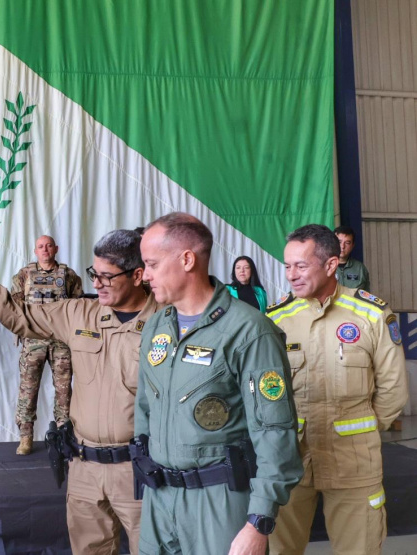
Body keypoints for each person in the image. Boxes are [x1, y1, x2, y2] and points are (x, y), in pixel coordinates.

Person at [0, 229, 157, 554]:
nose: (96, 283)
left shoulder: (168, 321)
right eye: (95, 273)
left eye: (107, 276)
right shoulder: (80, 313)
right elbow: (18, 314)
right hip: (84, 470)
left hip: (139, 471)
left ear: (138, 275)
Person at [133, 212, 302, 555]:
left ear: (186, 259)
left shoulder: (249, 331)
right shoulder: (156, 326)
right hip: (159, 501)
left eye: (151, 264)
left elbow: (274, 431)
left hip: (219, 504)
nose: (144, 275)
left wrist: (259, 521)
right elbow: (145, 408)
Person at [267, 224, 407, 555]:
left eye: (300, 265)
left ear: (331, 265)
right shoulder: (276, 317)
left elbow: (393, 389)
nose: (291, 275)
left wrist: (361, 432)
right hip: (291, 462)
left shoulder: (370, 314)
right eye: (287, 266)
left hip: (354, 464)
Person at [10, 235, 83, 455]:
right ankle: (25, 437)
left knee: (63, 391)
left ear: (56, 248)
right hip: (33, 341)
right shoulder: (24, 275)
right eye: (41, 246)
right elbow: (14, 308)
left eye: (49, 245)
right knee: (28, 390)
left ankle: (63, 436)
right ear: (35, 250)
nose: (45, 250)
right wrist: (19, 330)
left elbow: (79, 308)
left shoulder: (69, 276)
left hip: (61, 341)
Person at [334, 225, 370, 291]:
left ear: (352, 245)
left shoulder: (360, 269)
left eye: (347, 243)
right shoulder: (324, 267)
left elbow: (366, 297)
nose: (342, 246)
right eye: (339, 242)